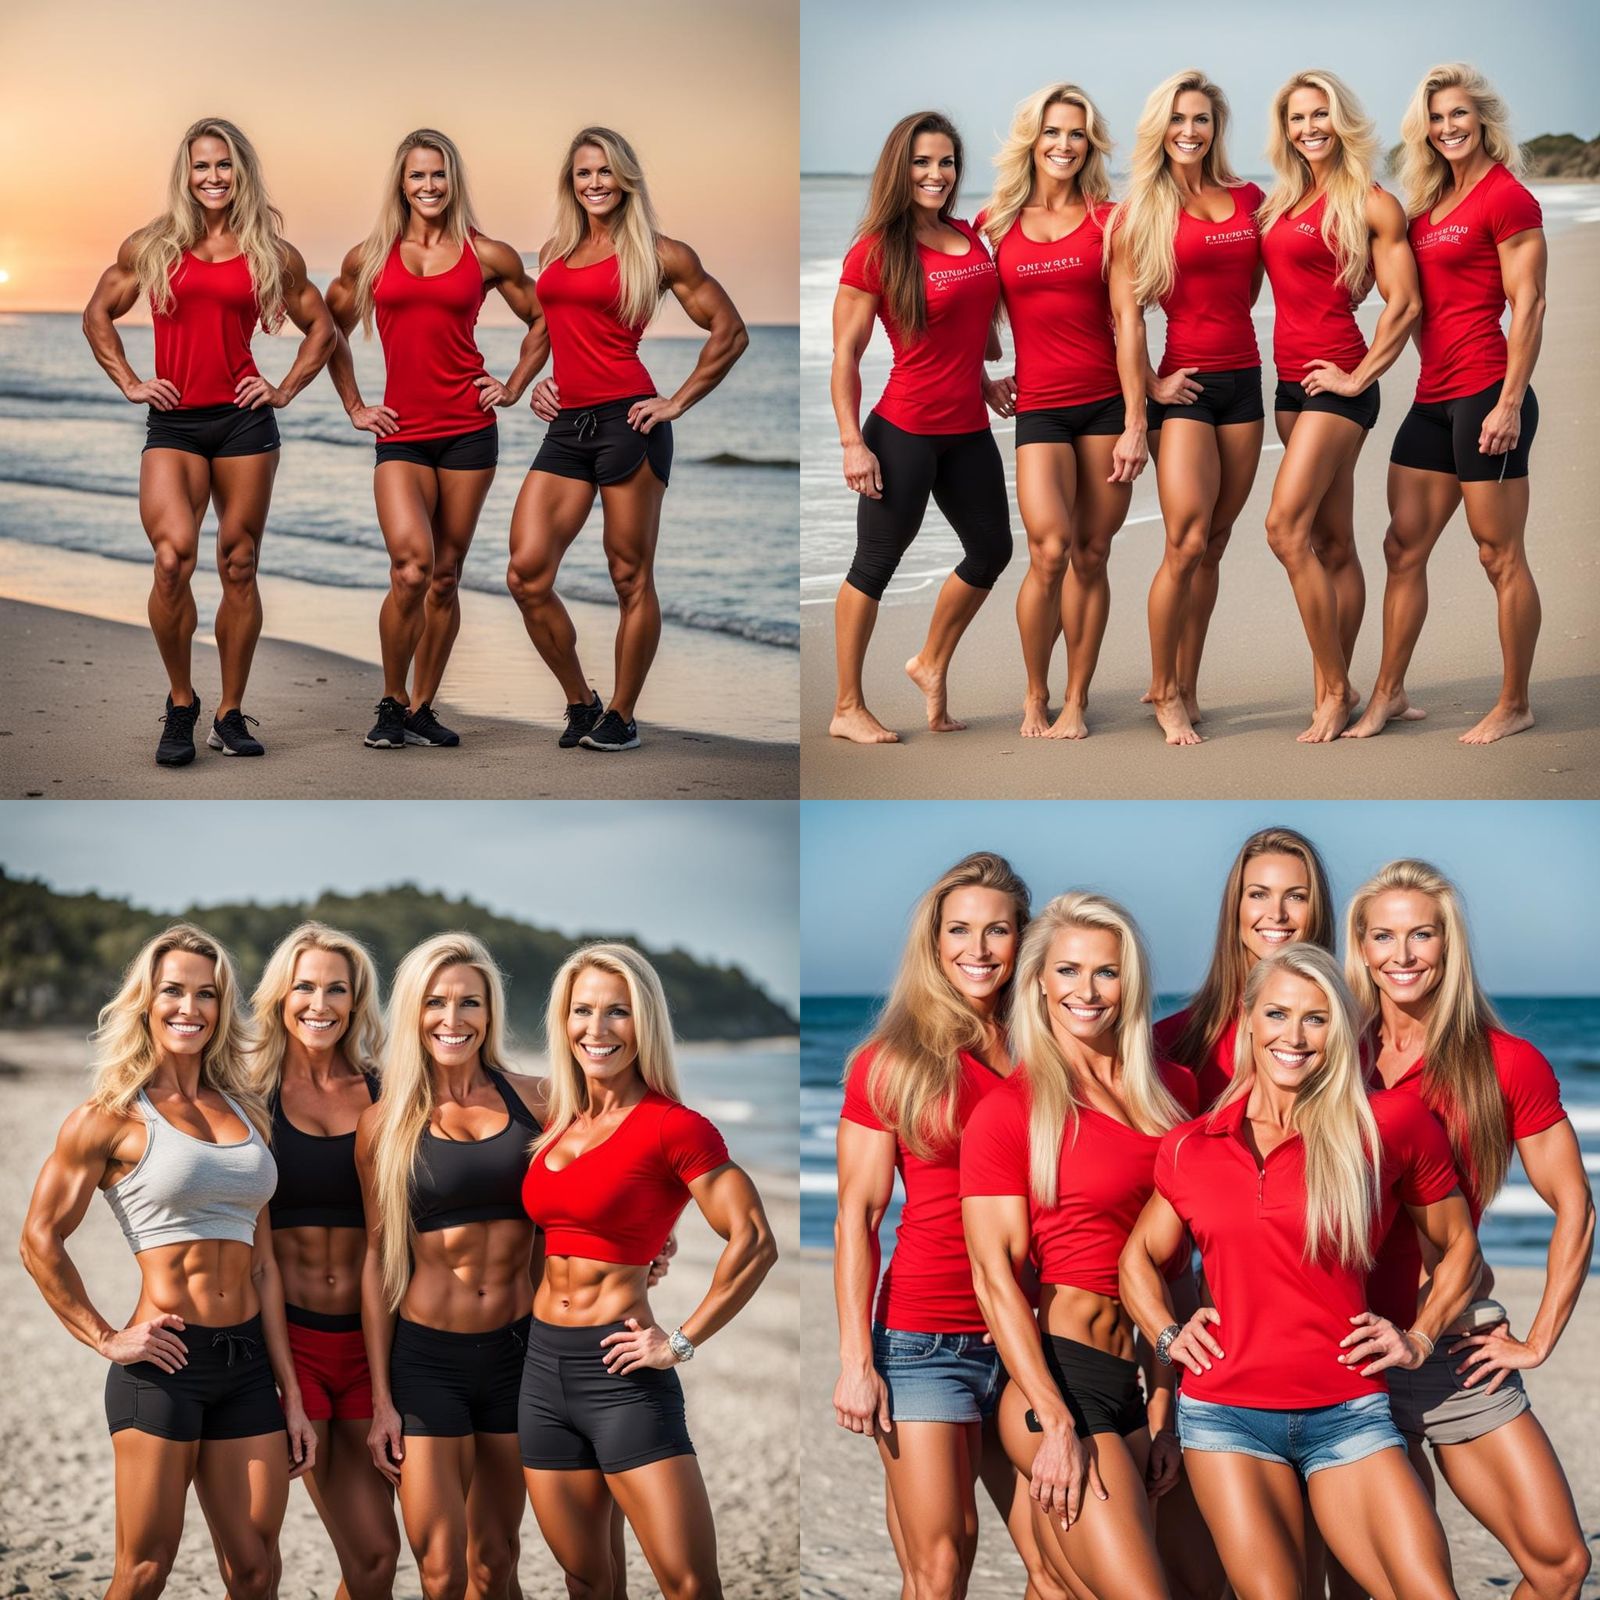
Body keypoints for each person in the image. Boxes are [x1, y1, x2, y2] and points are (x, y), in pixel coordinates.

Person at [1121, 945, 1481, 1600]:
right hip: (1226, 1417)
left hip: (1350, 1411)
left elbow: (1459, 1248)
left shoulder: (1386, 1126)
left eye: (1315, 1019)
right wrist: (1168, 1333)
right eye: (1278, 1014)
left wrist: (1420, 1337)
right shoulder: (1190, 1147)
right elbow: (1137, 1259)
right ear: (1249, 1022)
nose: (1294, 1035)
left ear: (1339, 1031)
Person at [20, 925, 310, 1599]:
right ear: (146, 1002)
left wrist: (290, 1392)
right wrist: (107, 1337)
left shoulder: (246, 1111)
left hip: (247, 1370)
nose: (190, 1008)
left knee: (258, 1569)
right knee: (146, 1570)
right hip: (164, 1365)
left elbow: (263, 1267)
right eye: (173, 991)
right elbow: (39, 1240)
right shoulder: (109, 1117)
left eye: (206, 995)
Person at [1346, 860, 1593, 1598]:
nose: (1403, 954)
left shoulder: (1504, 1064)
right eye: (1384, 936)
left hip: (1452, 1346)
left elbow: (1575, 1203)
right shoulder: (1332, 1058)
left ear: (1448, 948)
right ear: (1359, 948)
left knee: (1560, 1566)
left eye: (1422, 935)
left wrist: (1542, 1336)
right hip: (1343, 1346)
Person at [833, 853, 1065, 1600]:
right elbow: (857, 1218)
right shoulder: (890, 1062)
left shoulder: (1055, 1055)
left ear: (1023, 941)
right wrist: (855, 1362)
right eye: (959, 929)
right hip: (924, 1340)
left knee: (1062, 1568)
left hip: (1036, 1336)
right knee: (940, 1566)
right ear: (934, 943)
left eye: (997, 930)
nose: (978, 947)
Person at [518, 943, 778, 1598]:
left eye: (618, 1012)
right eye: (582, 1011)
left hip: (622, 1372)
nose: (597, 1030)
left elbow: (752, 1241)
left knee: (689, 1584)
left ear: (645, 1023)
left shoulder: (675, 1127)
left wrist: (680, 1341)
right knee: (587, 1578)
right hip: (541, 1370)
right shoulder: (555, 1122)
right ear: (563, 1021)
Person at [962, 893, 1196, 1599]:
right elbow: (993, 1278)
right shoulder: (1012, 1110)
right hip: (1056, 1384)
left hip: (1136, 1384)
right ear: (1038, 981)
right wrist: (1055, 1420)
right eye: (1067, 971)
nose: (1086, 991)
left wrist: (1164, 1414)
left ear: (1131, 983)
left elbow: (1175, 1275)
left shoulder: (1174, 1094)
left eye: (1106, 972)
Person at [82, 118, 335, 766]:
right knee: (173, 559)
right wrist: (132, 381)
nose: (213, 177)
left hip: (245, 423)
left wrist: (282, 389)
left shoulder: (270, 253)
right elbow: (97, 312)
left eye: (224, 165)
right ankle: (182, 701)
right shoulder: (155, 244)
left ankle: (229, 712)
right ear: (185, 173)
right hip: (176, 423)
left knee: (239, 562)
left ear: (240, 172)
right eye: (201, 166)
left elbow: (322, 328)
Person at [512, 126, 748, 753]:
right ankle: (580, 701)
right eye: (584, 173)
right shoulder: (554, 253)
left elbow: (729, 331)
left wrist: (676, 401)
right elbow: (548, 328)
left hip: (630, 422)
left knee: (629, 576)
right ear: (572, 182)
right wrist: (529, 385)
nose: (595, 183)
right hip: (568, 426)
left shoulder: (661, 252)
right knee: (526, 574)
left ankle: (622, 713)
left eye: (606, 172)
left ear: (626, 180)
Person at [326, 130, 549, 753]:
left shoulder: (487, 255)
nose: (428, 186)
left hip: (470, 433)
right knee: (410, 568)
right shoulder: (369, 257)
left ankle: (423, 707)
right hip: (402, 434)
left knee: (445, 576)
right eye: (417, 176)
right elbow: (327, 330)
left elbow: (546, 317)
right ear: (401, 183)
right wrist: (355, 406)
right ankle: (391, 701)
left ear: (453, 182)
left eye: (439, 176)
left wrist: (511, 384)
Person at [1345, 64, 1547, 746]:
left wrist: (1511, 402)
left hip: (1489, 392)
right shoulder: (1428, 209)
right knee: (1402, 546)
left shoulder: (1506, 198)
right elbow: (1401, 298)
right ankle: (1387, 694)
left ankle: (1515, 701)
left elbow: (1530, 304)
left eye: (1458, 115)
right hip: (1433, 396)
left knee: (1499, 555)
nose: (1447, 127)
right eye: (1436, 118)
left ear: (1482, 119)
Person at [355, 933, 545, 1600]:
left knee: (497, 1560)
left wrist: (652, 1249)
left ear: (491, 1012)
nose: (453, 1018)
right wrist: (382, 1400)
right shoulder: (384, 1123)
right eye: (436, 1002)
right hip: (427, 1362)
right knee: (441, 1570)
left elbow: (596, 1195)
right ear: (413, 1012)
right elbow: (377, 1258)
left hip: (519, 1355)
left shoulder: (538, 1101)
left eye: (470, 1002)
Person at [827, 112, 1011, 745]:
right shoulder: (874, 252)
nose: (937, 174)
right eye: (922, 162)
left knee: (992, 550)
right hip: (902, 431)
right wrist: (853, 443)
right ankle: (847, 705)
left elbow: (965, 332)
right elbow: (845, 356)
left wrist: (982, 383)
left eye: (947, 162)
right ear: (898, 170)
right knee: (875, 563)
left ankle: (929, 661)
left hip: (967, 427)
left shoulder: (967, 235)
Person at [979, 85, 1148, 740]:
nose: (1064, 144)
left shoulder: (1111, 221)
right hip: (1040, 409)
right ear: (1032, 139)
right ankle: (1034, 695)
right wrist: (980, 377)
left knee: (1092, 553)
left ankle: (1076, 699)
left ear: (1090, 144)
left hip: (1106, 404)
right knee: (1048, 550)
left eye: (1076, 133)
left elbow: (1130, 323)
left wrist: (1137, 422)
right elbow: (960, 315)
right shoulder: (995, 223)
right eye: (1053, 131)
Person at [1257, 71, 1421, 742]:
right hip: (1289, 387)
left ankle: (1333, 689)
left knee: (1282, 528)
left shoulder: (1373, 203)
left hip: (1337, 388)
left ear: (1342, 119)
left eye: (1320, 113)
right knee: (1331, 542)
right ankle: (1344, 680)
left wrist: (1357, 377)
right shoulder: (1281, 203)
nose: (1309, 127)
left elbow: (1404, 304)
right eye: (1297, 117)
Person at [250, 923, 399, 1598]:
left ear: (356, 999)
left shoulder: (387, 1092)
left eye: (336, 988)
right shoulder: (249, 1094)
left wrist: (646, 1237)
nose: (320, 1002)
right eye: (305, 985)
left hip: (372, 1349)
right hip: (286, 1348)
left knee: (372, 1558)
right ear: (281, 995)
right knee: (253, 1559)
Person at [1116, 72, 1264, 746]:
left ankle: (1191, 685)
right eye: (1178, 119)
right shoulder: (1141, 210)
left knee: (1217, 545)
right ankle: (1163, 691)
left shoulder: (1247, 199)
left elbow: (1260, 283)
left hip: (1246, 383)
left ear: (1216, 127)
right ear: (1161, 126)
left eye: (1201, 119)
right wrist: (1149, 388)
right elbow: (1126, 317)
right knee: (1185, 541)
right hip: (1187, 391)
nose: (1189, 131)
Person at [1155, 826, 1335, 1107]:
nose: (1277, 914)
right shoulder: (1168, 1042)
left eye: (1296, 896)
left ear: (1317, 910)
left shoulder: (1352, 1037)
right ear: (1235, 906)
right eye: (1258, 894)